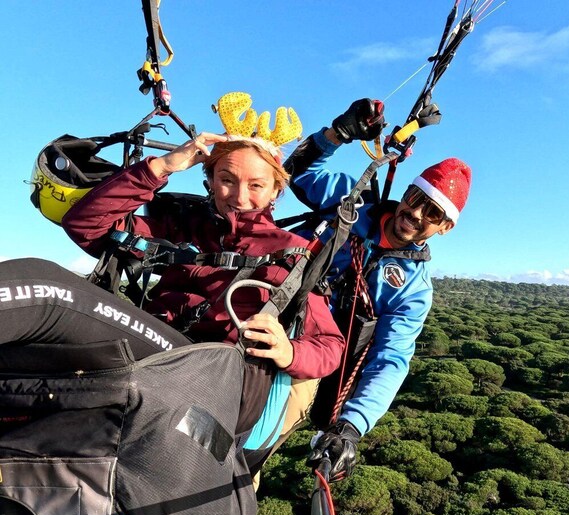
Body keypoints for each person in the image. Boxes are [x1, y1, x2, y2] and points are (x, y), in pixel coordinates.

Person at [57, 132, 346, 437]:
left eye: (257, 185)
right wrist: (161, 167)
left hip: (213, 389)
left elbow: (329, 345)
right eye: (227, 179)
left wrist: (288, 352)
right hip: (147, 359)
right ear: (209, 179)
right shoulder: (181, 227)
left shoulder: (291, 252)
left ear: (276, 191)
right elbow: (85, 224)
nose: (239, 196)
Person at [284, 98, 471, 481]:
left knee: (263, 423)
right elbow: (296, 174)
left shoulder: (413, 290)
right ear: (407, 194)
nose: (417, 215)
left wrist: (351, 427)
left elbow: (391, 359)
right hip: (265, 297)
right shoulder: (353, 202)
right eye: (417, 200)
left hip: (306, 352)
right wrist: (340, 133)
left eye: (433, 214)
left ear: (445, 227)